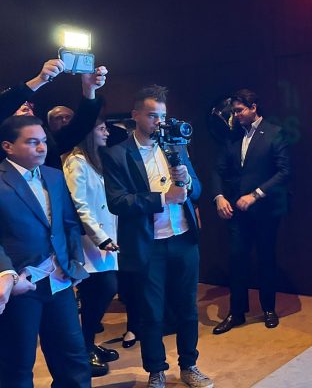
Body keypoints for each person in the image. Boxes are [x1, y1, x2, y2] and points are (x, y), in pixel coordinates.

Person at [100, 85, 213, 388]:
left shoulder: (177, 146)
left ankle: (189, 365)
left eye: (162, 115)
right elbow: (118, 202)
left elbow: (197, 190)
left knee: (188, 308)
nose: (159, 122)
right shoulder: (117, 154)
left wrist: (188, 183)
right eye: (152, 115)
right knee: (151, 312)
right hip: (148, 244)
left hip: (184, 238)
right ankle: (156, 371)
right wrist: (163, 198)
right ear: (135, 115)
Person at [0, 115, 91, 387]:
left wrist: (73, 264)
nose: (42, 148)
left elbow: (69, 224)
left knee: (73, 359)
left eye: (43, 141)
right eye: (32, 142)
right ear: (8, 146)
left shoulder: (54, 175)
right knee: (17, 365)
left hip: (59, 281)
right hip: (21, 285)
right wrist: (6, 273)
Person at [211, 89, 291, 334]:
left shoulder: (275, 132)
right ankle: (237, 313)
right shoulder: (233, 136)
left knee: (266, 259)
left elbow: (284, 172)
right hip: (237, 211)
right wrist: (219, 196)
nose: (235, 116)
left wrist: (256, 194)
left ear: (254, 107)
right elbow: (218, 170)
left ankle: (268, 309)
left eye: (239, 111)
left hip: (265, 210)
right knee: (237, 260)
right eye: (234, 111)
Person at [63, 119, 125, 377]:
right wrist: (100, 237)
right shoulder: (76, 161)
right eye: (101, 129)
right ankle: (84, 348)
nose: (107, 133)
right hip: (90, 239)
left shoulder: (95, 159)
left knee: (101, 290)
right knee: (100, 289)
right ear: (88, 132)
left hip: (105, 235)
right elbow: (80, 205)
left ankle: (87, 343)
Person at [2, 58, 108, 169]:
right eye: (19, 106)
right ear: (7, 146)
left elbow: (79, 128)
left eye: (28, 106)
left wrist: (89, 89)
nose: (41, 148)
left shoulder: (50, 146)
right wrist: (40, 79)